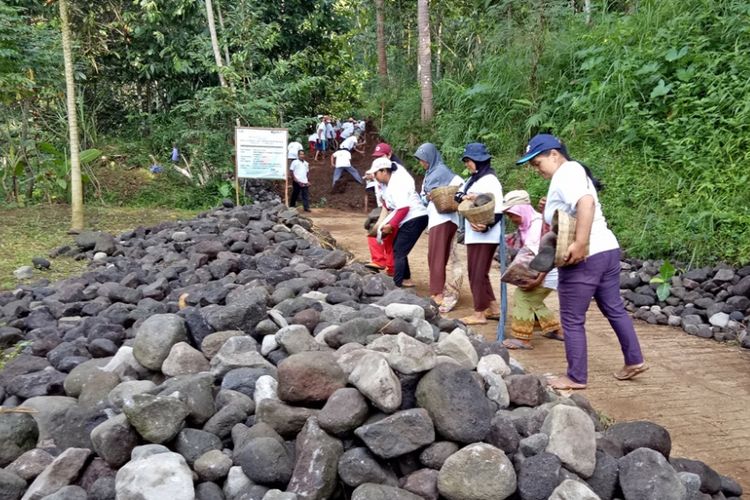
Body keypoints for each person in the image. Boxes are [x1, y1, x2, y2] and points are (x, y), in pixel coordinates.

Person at [516, 133, 648, 389]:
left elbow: (585, 203)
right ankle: (634, 360)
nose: (536, 169)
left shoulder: (566, 173)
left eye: (537, 162)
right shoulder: (573, 173)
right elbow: (575, 206)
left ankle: (576, 377)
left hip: (585, 256)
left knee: (572, 318)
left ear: (554, 155)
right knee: (614, 307)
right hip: (607, 250)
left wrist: (579, 243)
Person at [499, 190, 563, 350]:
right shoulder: (532, 223)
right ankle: (554, 329)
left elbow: (546, 257)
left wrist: (537, 280)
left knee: (523, 298)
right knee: (534, 300)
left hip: (547, 272)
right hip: (547, 271)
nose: (511, 219)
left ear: (520, 210)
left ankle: (523, 338)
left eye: (512, 215)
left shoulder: (536, 227)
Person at [454, 143, 504, 325]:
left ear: (478, 161)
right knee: (479, 272)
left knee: (476, 272)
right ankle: (493, 308)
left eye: (469, 160)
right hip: (475, 233)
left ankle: (479, 313)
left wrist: (487, 227)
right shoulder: (474, 179)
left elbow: (498, 210)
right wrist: (466, 197)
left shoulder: (490, 181)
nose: (467, 164)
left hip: (485, 234)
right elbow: (458, 195)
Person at [414, 142, 463, 313]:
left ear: (430, 157)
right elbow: (424, 196)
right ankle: (440, 290)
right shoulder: (430, 173)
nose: (422, 163)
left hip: (442, 220)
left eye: (423, 159)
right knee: (440, 256)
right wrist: (428, 197)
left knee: (436, 256)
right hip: (443, 220)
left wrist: (443, 193)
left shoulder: (441, 171)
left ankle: (438, 293)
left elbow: (460, 185)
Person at [367, 157, 428, 288]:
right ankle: (406, 279)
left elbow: (403, 208)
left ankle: (397, 283)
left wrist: (391, 225)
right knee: (398, 248)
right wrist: (380, 224)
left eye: (376, 173)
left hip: (415, 217)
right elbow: (387, 205)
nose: (374, 176)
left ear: (384, 171)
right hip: (410, 217)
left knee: (399, 251)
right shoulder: (387, 184)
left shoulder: (396, 184)